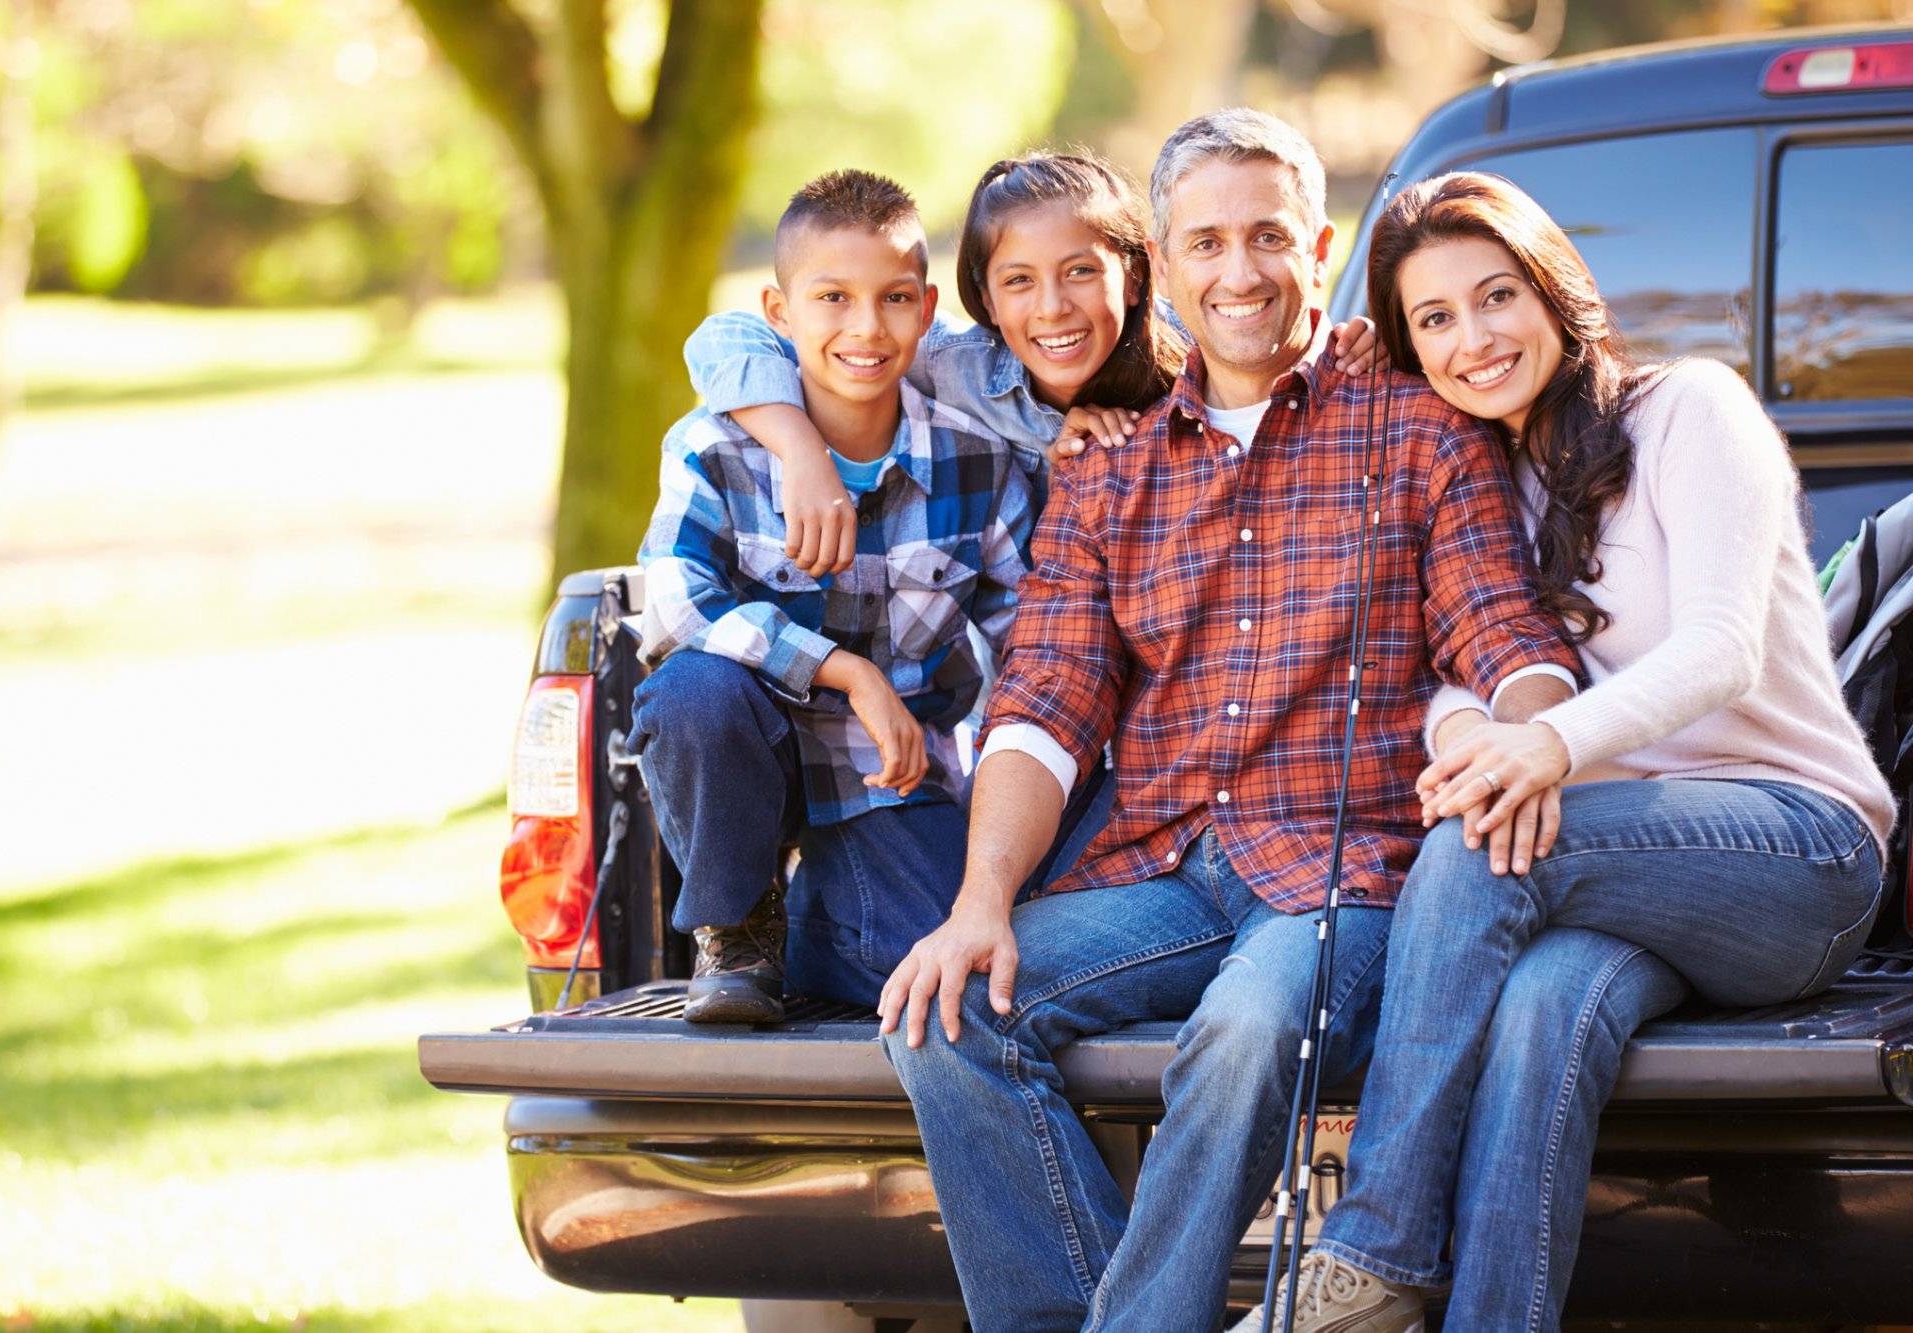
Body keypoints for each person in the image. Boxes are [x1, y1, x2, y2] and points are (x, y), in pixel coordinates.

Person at [874, 112, 1583, 1332]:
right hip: (1165, 869)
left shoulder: (1418, 432)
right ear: (1165, 261)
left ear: (1316, 244)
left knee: (1244, 1027)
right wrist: (981, 903)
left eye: (1266, 235)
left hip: (1344, 877)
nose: (1239, 270)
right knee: (941, 1018)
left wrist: (1536, 736)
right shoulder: (1108, 470)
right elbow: (1043, 703)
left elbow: (1502, 633)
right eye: (1205, 242)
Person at [1256, 172, 1895, 1333]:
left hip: (1791, 850)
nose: (1472, 338)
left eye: (1493, 295)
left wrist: (1540, 746)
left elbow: (1719, 650)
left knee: (1468, 852)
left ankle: (1378, 1246)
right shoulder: (1478, 482)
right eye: (1432, 320)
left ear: (1552, 289)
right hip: (1610, 871)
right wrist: (1476, 744)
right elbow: (1449, 677)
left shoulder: (1688, 410)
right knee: (1548, 1001)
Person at [630, 169, 1035, 1023]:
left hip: (889, 776)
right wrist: (848, 671)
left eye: (893, 299)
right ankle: (739, 927)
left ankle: (817, 929)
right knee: (694, 688)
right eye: (832, 298)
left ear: (927, 312)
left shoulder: (974, 459)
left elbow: (1030, 635)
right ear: (780, 315)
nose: (865, 327)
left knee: (943, 972)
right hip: (754, 753)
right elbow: (671, 600)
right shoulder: (717, 447)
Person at [681, 149, 1383, 578]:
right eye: (1018, 281)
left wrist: (1352, 347)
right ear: (982, 295)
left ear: (1137, 276)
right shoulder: (947, 364)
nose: (1052, 309)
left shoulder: (1196, 347)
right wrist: (800, 451)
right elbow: (724, 338)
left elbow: (1279, 340)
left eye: (1081, 272)